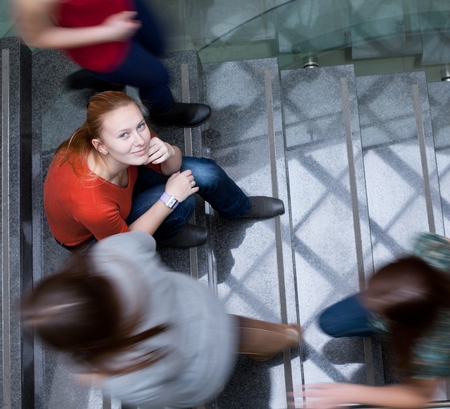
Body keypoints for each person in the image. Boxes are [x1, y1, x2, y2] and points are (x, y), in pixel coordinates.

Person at [21, 230, 302, 408]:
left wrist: (98, 375)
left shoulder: (121, 372)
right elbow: (144, 240)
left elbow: (160, 396)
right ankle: (287, 336)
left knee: (206, 380)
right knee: (237, 330)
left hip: (200, 371)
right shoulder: (112, 255)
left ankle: (216, 381)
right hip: (202, 308)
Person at [44, 91, 285, 250]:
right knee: (183, 203)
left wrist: (169, 151)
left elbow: (174, 166)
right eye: (124, 135)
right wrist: (169, 198)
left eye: (140, 126)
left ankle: (238, 208)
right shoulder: (90, 202)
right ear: (100, 145)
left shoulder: (124, 141)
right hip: (94, 237)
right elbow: (125, 245)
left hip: (125, 182)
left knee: (206, 172)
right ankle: (166, 233)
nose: (140, 140)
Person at [10, 0, 210, 128]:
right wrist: (107, 32)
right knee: (158, 76)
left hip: (121, 0)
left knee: (156, 45)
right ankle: (164, 112)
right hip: (101, 46)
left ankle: (108, 81)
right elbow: (38, 36)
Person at [298, 232, 450, 409]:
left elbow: (418, 396)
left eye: (378, 305)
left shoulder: (431, 352)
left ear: (405, 326)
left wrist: (349, 393)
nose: (366, 300)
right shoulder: (432, 249)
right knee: (330, 321)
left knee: (333, 321)